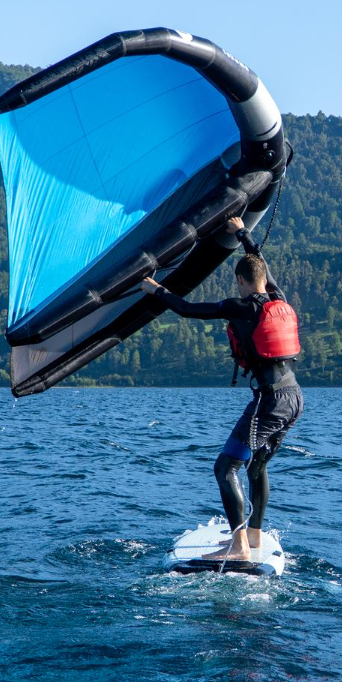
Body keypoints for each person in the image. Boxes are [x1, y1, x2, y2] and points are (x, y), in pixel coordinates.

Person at [140, 216, 303, 561]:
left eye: (239, 283)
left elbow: (187, 309)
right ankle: (255, 537)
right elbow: (262, 263)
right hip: (294, 398)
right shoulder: (279, 298)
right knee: (256, 466)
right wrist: (242, 232)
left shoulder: (240, 306)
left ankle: (240, 546)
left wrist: (155, 289)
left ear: (242, 282)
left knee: (224, 467)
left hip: (270, 401)